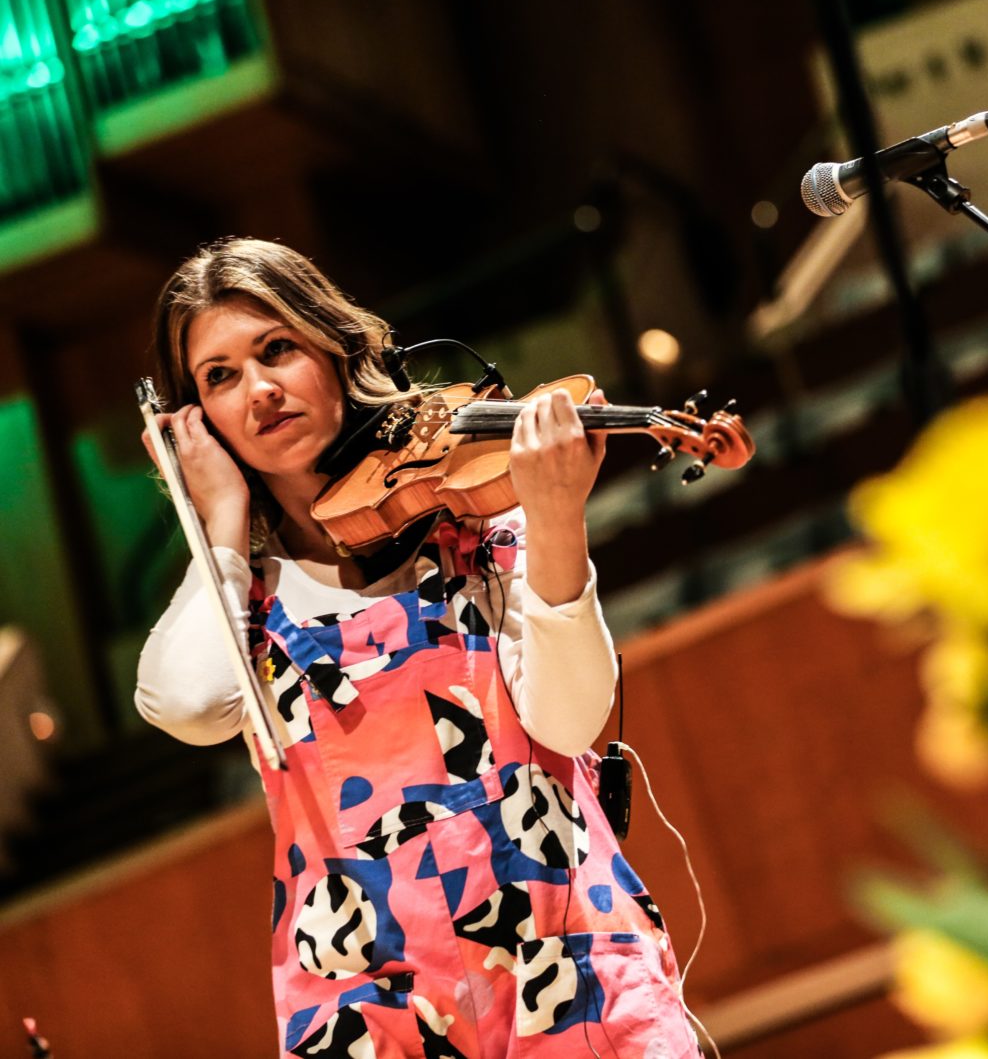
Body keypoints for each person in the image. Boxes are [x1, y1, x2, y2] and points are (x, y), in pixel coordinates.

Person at [135, 238, 701, 1059]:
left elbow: (572, 721)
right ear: (195, 419)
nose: (258, 389)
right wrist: (220, 521)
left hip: (566, 971)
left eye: (277, 348)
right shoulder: (241, 602)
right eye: (219, 376)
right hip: (372, 1012)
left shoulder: (473, 523)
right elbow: (186, 705)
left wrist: (555, 519)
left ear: (335, 349)